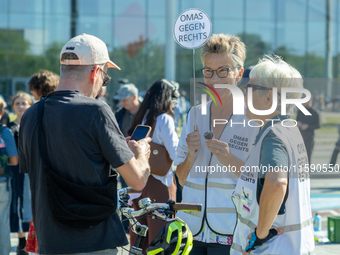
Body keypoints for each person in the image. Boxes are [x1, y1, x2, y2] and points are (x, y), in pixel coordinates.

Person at [18, 33, 151, 255]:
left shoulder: (31, 115)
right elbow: (137, 180)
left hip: (50, 242)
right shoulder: (96, 110)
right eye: (105, 78)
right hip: (95, 241)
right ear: (96, 72)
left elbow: (33, 172)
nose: (102, 85)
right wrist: (142, 154)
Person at [174, 34, 259, 254]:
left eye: (223, 70)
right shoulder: (194, 115)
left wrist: (229, 159)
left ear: (239, 73)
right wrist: (192, 156)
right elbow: (181, 179)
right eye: (208, 71)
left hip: (232, 233)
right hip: (190, 232)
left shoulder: (255, 119)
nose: (214, 78)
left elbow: (262, 182)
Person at [231, 55, 314, 254]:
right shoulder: (288, 129)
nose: (243, 91)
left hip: (271, 248)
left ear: (269, 97)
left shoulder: (273, 135)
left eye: (250, 88)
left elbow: (277, 184)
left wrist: (259, 235)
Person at [127, 79, 180, 254]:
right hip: (159, 183)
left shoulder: (142, 116)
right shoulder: (164, 118)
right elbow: (176, 153)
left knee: (139, 236)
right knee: (161, 236)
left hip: (138, 181)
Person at [7, 92, 33, 255]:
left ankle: (33, 240)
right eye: (18, 103)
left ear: (30, 105)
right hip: (14, 172)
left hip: (32, 171)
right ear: (13, 106)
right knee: (17, 203)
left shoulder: (34, 125)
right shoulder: (8, 128)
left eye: (24, 103)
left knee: (31, 204)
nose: (21, 106)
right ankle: (21, 241)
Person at [0, 97, 19, 255]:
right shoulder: (4, 131)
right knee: (2, 220)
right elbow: (14, 160)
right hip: (2, 182)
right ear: (1, 113)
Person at [296, 98, 320, 163]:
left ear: (310, 101)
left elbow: (318, 126)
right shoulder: (300, 111)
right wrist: (298, 124)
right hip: (300, 137)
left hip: (309, 137)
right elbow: (297, 120)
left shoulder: (315, 112)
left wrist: (308, 126)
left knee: (308, 156)